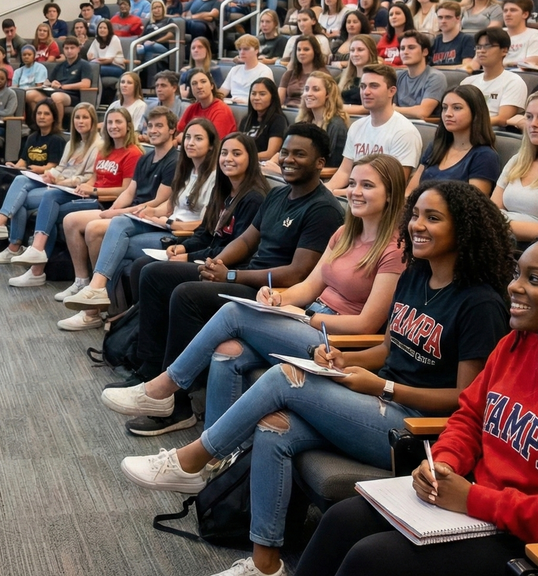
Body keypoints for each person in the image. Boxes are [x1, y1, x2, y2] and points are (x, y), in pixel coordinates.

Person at [121, 182, 512, 576]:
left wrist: (384, 387)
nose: (417, 226)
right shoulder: (415, 276)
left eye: (433, 218)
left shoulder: (479, 303)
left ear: (463, 229)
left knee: (283, 379)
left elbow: (465, 398)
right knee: (276, 428)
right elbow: (389, 351)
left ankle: (192, 461)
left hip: (412, 430)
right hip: (375, 402)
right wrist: (343, 359)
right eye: (415, 215)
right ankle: (266, 566)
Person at [103, 153, 406, 432]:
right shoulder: (344, 234)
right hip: (308, 317)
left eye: (367, 185)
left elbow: (368, 324)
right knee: (227, 352)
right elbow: (308, 287)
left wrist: (308, 317)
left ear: (390, 193)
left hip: (333, 339)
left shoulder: (394, 250)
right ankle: (214, 453)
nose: (354, 191)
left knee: (233, 312)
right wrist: (279, 299)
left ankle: (164, 388)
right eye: (352, 183)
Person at [294, 241, 538, 576]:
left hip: (519, 537)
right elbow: (468, 418)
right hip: (471, 498)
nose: (515, 286)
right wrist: (444, 464)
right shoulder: (514, 344)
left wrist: (473, 500)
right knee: (343, 519)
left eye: (534, 279)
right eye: (517, 274)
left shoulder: (489, 312)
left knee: (370, 559)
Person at [123, 124, 346, 432]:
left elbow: (298, 272)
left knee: (187, 294)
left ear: (321, 163)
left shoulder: (324, 209)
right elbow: (246, 240)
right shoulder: (278, 194)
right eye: (285, 152)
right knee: (154, 273)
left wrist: (229, 273)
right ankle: (149, 372)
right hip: (245, 275)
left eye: (299, 154)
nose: (288, 159)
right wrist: (218, 261)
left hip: (270, 294)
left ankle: (178, 405)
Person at [63, 116, 212, 316]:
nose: (191, 143)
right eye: (188, 138)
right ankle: (99, 296)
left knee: (111, 240)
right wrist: (152, 212)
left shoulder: (213, 177)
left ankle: (98, 299)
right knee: (117, 226)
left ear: (211, 145)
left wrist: (166, 220)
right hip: (164, 224)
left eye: (198, 139)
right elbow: (168, 206)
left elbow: (204, 224)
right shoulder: (187, 170)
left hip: (181, 234)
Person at [0, 103, 99, 262]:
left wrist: (61, 180)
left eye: (85, 117)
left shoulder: (98, 145)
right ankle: (2, 230)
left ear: (93, 121)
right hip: (58, 184)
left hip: (71, 189)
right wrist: (50, 174)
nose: (80, 121)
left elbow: (87, 177)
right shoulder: (72, 143)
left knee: (20, 199)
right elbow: (60, 168)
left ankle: (13, 245)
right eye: (77, 117)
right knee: (20, 180)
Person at [325, 64, 422, 191]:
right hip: (355, 194)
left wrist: (344, 192)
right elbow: (344, 172)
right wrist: (326, 191)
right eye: (363, 86)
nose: (366, 92)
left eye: (374, 86)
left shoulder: (405, 132)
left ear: (391, 91)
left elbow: (393, 185)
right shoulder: (357, 126)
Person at [405, 86, 500, 196]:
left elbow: (475, 207)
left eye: (457, 108)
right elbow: (410, 192)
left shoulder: (484, 156)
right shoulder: (436, 146)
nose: (447, 114)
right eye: (444, 108)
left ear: (475, 113)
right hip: (418, 211)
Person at [493, 90, 538, 242]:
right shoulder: (517, 160)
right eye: (529, 117)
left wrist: (500, 226)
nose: (533, 124)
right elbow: (493, 208)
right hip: (499, 238)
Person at [461, 27, 528, 128]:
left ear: (504, 50)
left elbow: (502, 119)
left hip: (493, 134)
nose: (481, 51)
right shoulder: (468, 82)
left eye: (487, 46)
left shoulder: (514, 81)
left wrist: (467, 123)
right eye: (478, 47)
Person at [25, 35, 92, 129]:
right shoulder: (60, 65)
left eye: (72, 48)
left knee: (56, 96)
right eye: (66, 48)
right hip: (54, 92)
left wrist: (64, 87)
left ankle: (58, 127)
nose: (69, 51)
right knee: (30, 94)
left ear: (78, 49)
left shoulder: (84, 64)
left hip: (71, 96)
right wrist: (51, 83)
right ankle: (39, 125)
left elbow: (86, 84)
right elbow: (47, 81)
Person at [290, 70, 348, 169]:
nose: (309, 94)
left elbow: (335, 167)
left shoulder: (337, 125)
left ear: (328, 94)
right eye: (306, 89)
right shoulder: (304, 121)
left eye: (315, 89)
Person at [394, 30, 446, 119]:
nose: (405, 52)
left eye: (411, 47)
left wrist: (393, 110)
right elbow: (387, 106)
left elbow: (423, 112)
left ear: (425, 52)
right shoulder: (397, 76)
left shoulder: (435, 77)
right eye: (402, 48)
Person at [176, 70, 237, 138]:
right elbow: (178, 132)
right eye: (194, 83)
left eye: (203, 82)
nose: (199, 86)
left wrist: (184, 137)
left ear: (212, 86)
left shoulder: (222, 110)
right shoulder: (192, 108)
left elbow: (214, 141)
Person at [238, 78, 286, 161]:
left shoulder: (278, 120)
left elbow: (270, 154)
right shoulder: (246, 119)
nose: (256, 98)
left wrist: (244, 157)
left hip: (263, 165)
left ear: (272, 97)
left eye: (262, 94)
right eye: (253, 94)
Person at [219, 35, 273, 104]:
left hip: (253, 108)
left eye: (246, 49)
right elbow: (221, 93)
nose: (241, 52)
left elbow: (264, 98)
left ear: (256, 50)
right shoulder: (234, 70)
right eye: (239, 49)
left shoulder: (264, 71)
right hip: (232, 106)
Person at [278, 36, 327, 107]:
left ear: (315, 51)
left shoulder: (323, 75)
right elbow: (279, 102)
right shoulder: (289, 74)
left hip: (309, 112)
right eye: (299, 49)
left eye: (306, 49)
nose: (301, 53)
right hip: (288, 111)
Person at [337, 34, 378, 110]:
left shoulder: (378, 77)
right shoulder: (341, 77)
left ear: (371, 52)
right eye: (352, 50)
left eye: (360, 50)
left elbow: (371, 108)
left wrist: (339, 109)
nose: (355, 54)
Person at [429, 0, 476, 66]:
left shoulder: (467, 39)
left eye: (448, 17)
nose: (443, 21)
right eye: (440, 17)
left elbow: (467, 68)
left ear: (458, 19)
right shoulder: (434, 41)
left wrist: (436, 68)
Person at [499, 0, 538, 66]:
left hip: (522, 74)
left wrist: (501, 65)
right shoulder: (495, 35)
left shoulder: (534, 35)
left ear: (525, 14)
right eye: (505, 11)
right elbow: (477, 61)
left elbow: (530, 63)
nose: (508, 14)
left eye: (513, 10)